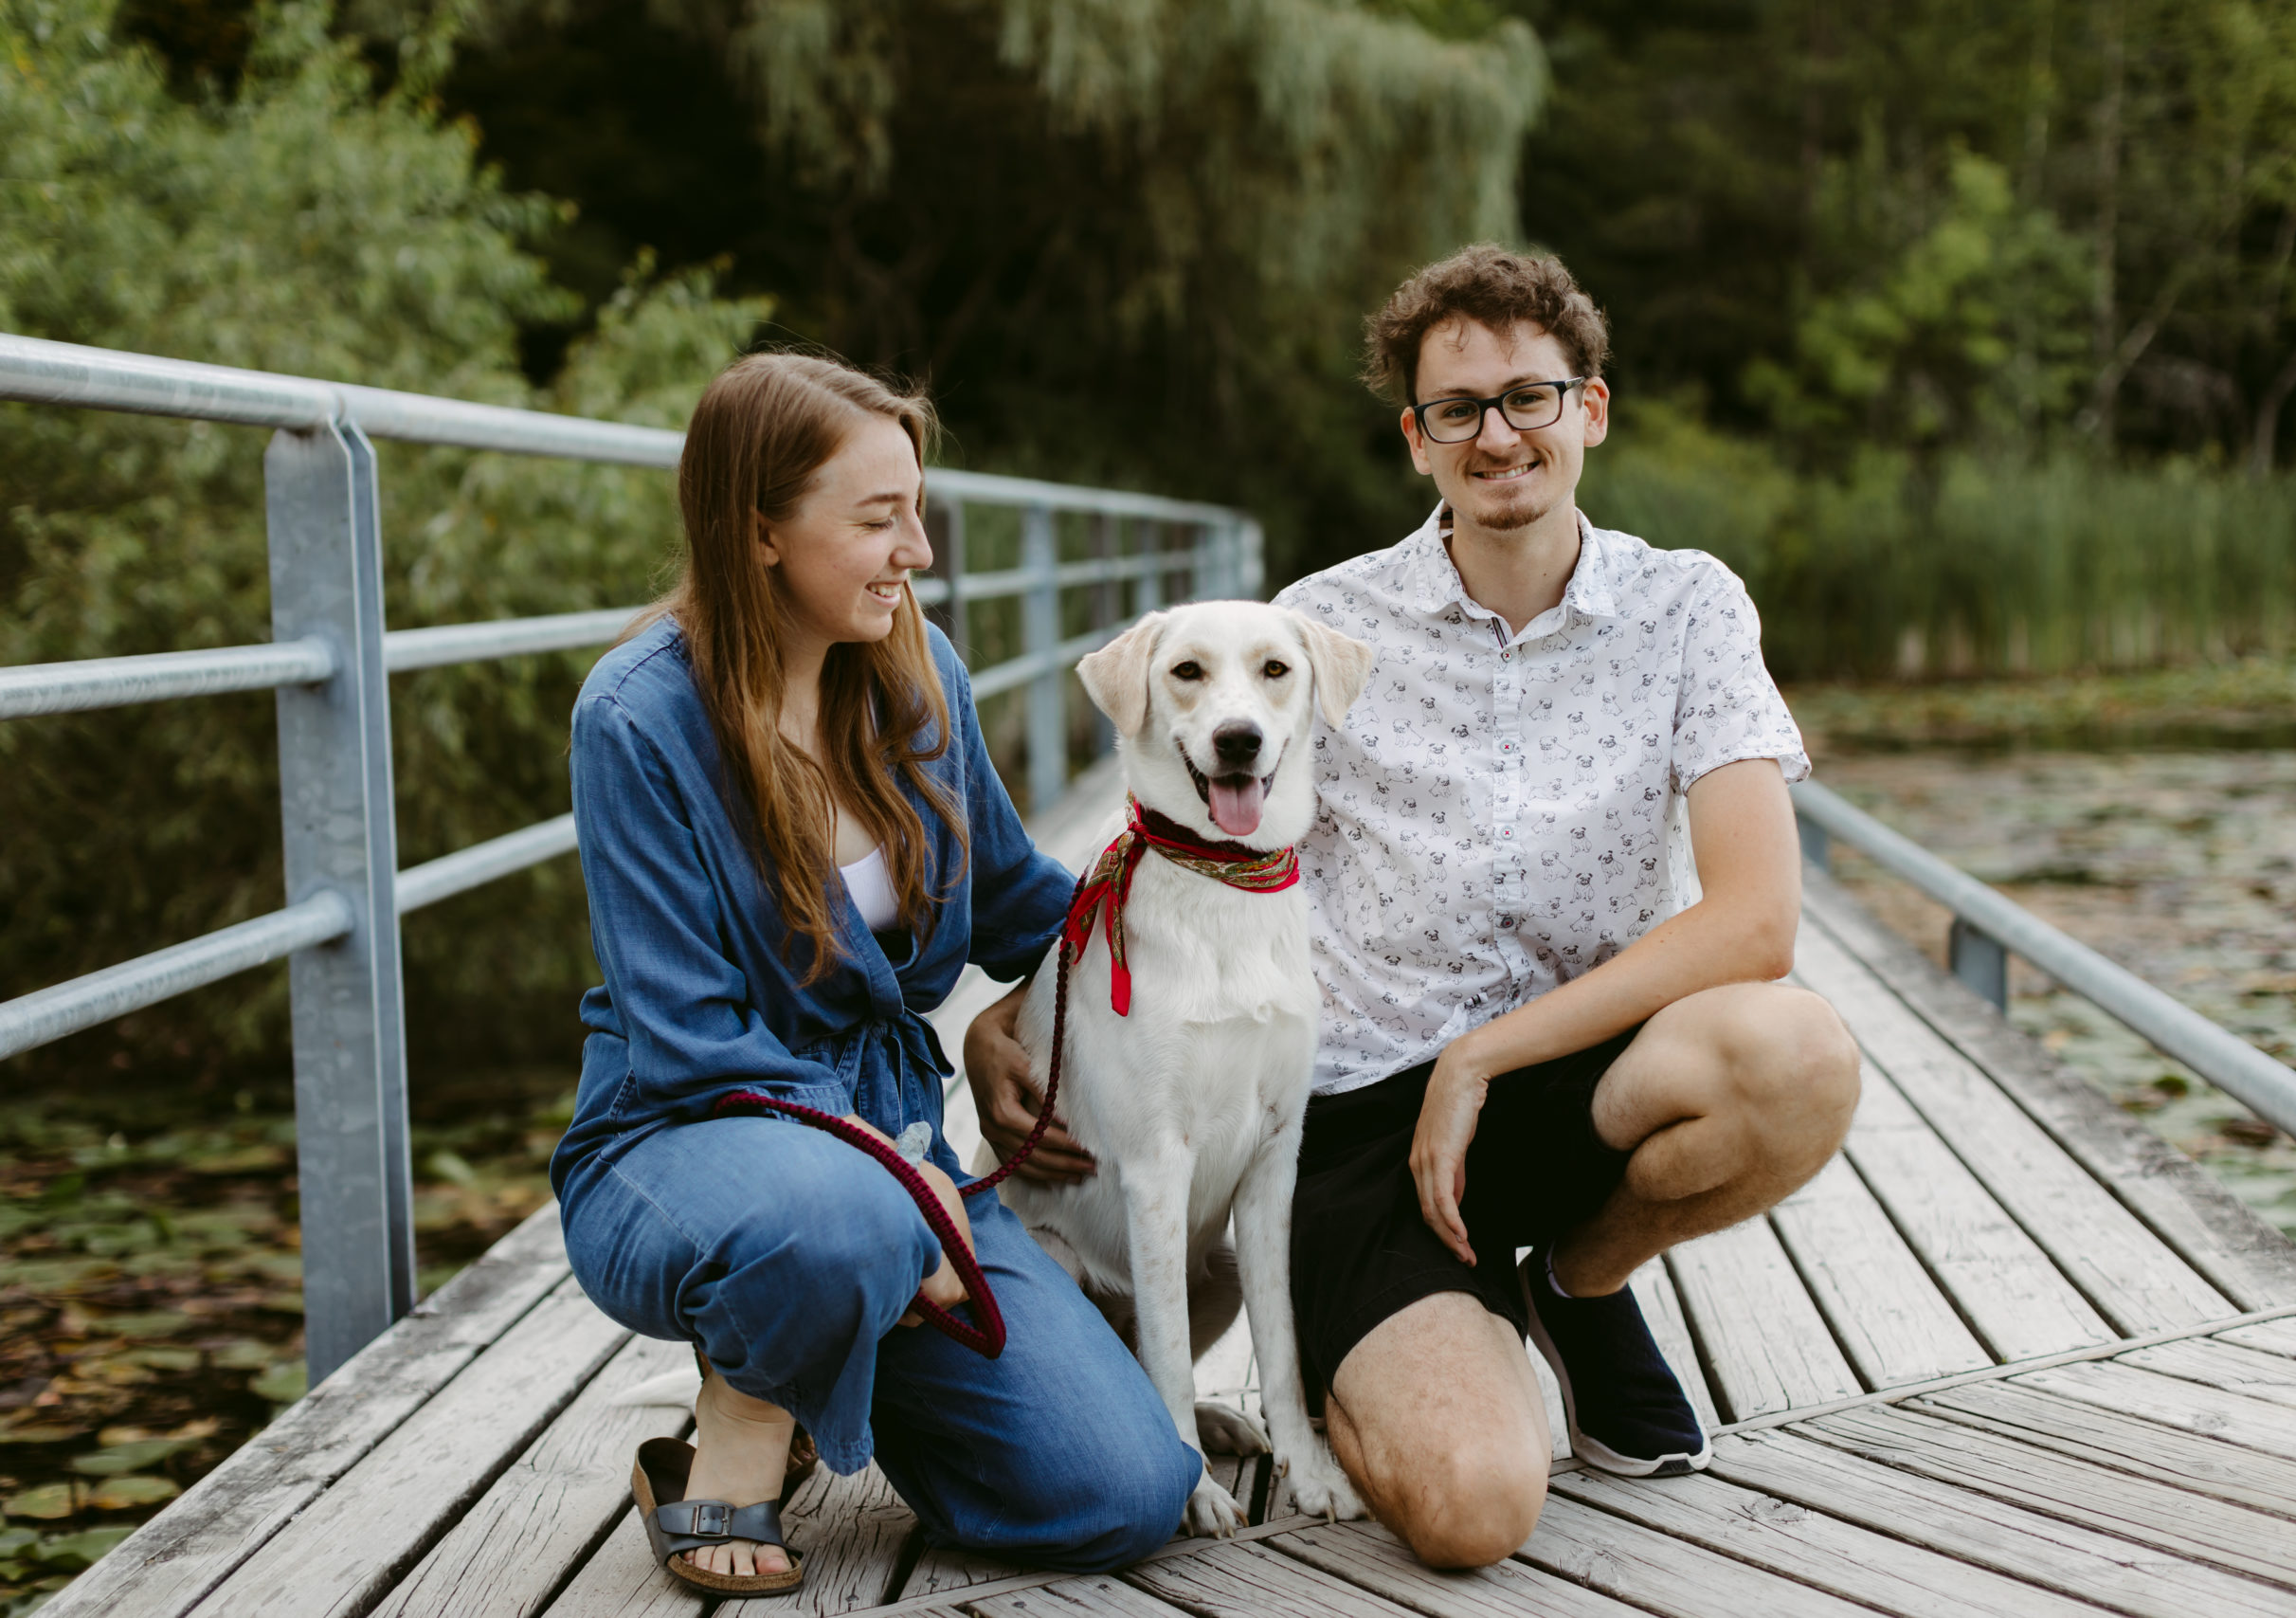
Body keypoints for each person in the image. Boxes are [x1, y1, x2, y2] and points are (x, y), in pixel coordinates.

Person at [965, 245, 1862, 1569]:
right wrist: (1021, 1008)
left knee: (1801, 1055)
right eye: (1459, 410)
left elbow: (1756, 925)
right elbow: (1192, 846)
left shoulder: (1689, 606)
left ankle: (1578, 1283)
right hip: (1355, 1123)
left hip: (1566, 1076)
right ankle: (1367, 1341)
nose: (1499, 435)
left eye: (1530, 397)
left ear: (1589, 410)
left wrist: (1485, 1057)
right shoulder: (1316, 629)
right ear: (1417, 440)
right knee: (1471, 1512)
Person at [551, 352, 1199, 1593]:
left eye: (919, 509)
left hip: (896, 1158)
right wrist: (906, 1187)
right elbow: (691, 1041)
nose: (920, 551)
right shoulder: (636, 718)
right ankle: (740, 1428)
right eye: (877, 519)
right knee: (834, 1221)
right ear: (759, 533)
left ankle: (825, 1369)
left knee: (1126, 1492)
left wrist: (1189, 926)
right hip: (686, 1136)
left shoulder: (922, 673)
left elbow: (1017, 901)